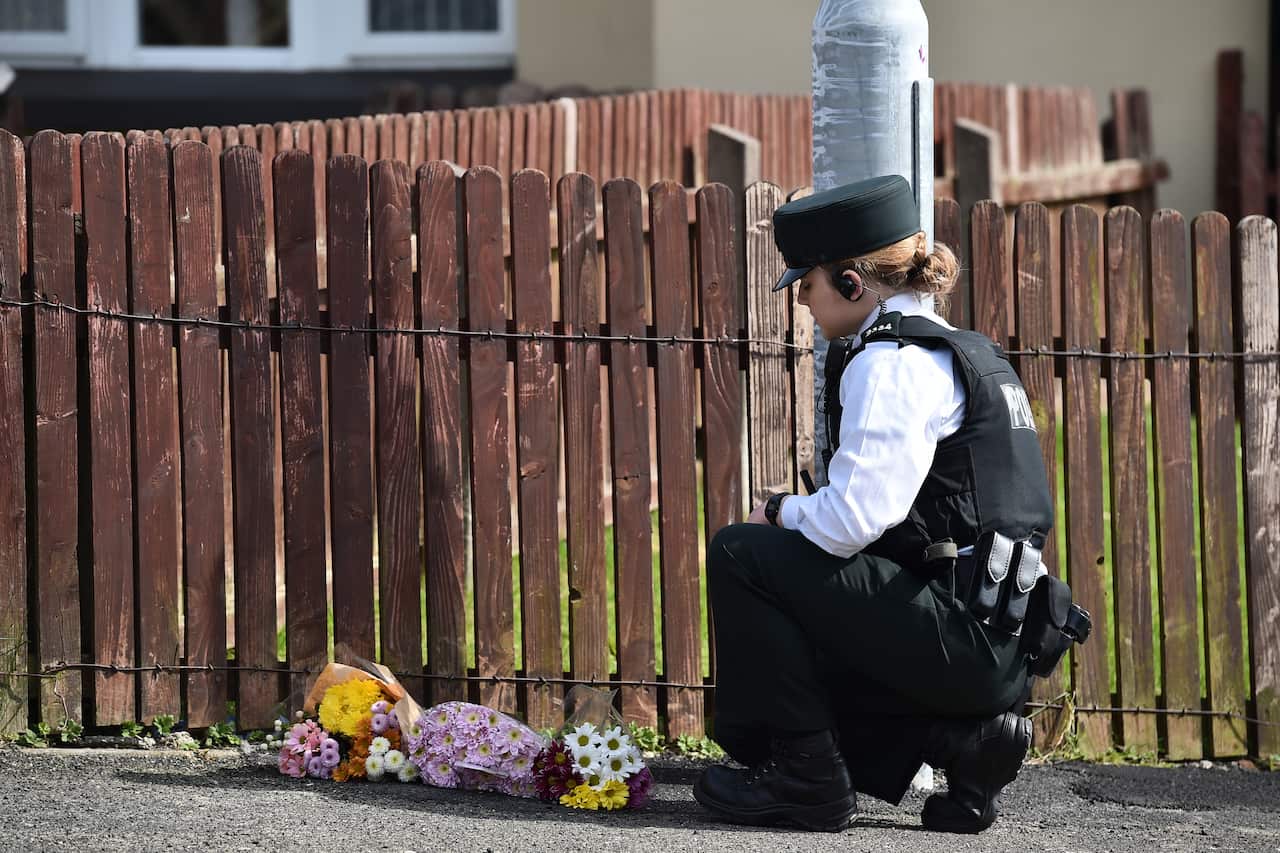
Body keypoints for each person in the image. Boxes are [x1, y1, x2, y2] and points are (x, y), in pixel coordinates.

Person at [693, 175, 1086, 834]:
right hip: (1000, 642)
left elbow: (853, 521)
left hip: (963, 639)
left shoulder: (892, 361)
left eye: (809, 286)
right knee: (793, 649)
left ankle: (807, 778)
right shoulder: (969, 352)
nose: (806, 304)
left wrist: (781, 511)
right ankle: (963, 744)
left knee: (742, 552)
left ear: (852, 283)